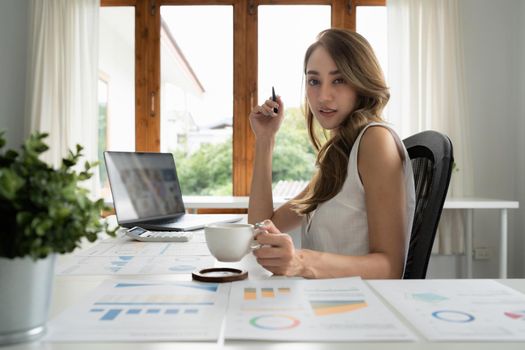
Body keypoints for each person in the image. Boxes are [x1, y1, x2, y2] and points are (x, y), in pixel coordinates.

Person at [248, 28, 415, 279]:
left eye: (339, 80)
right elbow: (261, 228)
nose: (323, 97)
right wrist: (265, 139)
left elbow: (389, 268)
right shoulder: (336, 157)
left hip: (358, 309)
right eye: (314, 81)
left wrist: (302, 261)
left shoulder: (374, 141)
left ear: (361, 83)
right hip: (324, 305)